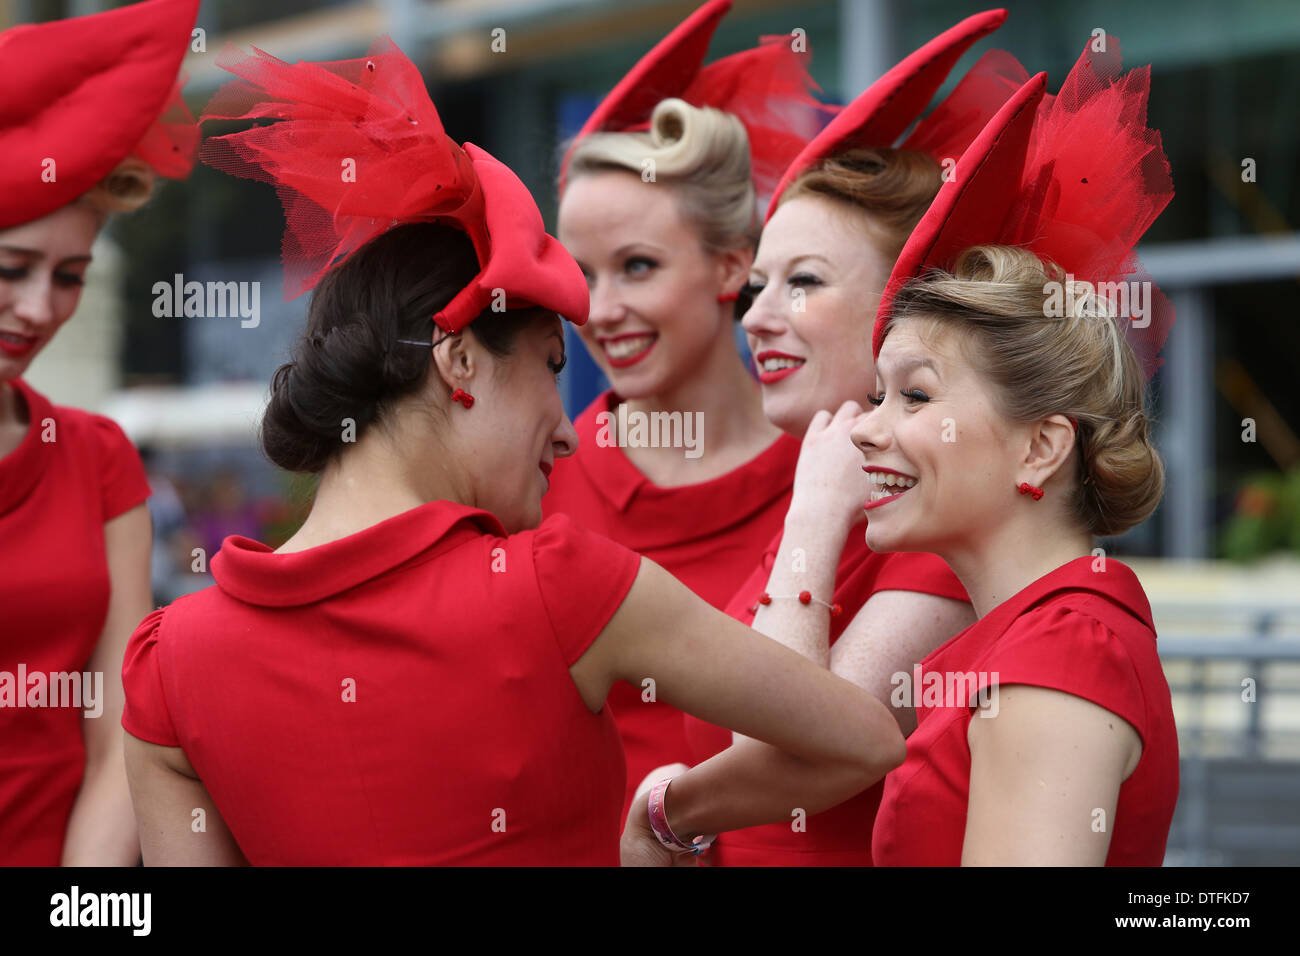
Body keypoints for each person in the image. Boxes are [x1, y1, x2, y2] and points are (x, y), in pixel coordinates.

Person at [120, 37, 905, 867]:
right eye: (549, 365)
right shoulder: (560, 578)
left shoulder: (166, 661)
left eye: (637, 266)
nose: (567, 427)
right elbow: (860, 738)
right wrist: (661, 819)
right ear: (458, 361)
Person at [673, 9, 1025, 867]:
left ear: (904, 307)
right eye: (757, 284)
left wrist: (661, 812)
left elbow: (801, 744)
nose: (756, 316)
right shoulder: (836, 485)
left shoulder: (938, 526)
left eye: (803, 283)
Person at [856, 38, 1179, 865]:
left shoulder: (1062, 646)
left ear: (1040, 447)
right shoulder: (1033, 635)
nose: (863, 428)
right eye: (876, 396)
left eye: (916, 396)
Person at [548, 0, 836, 819]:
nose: (599, 310)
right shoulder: (533, 475)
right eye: (582, 273)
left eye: (637, 266)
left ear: (730, 266)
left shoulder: (839, 470)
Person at [0, 0, 198, 866]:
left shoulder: (96, 457)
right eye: (12, 269)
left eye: (70, 276)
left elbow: (121, 726)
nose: (41, 307)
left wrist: (75, 906)